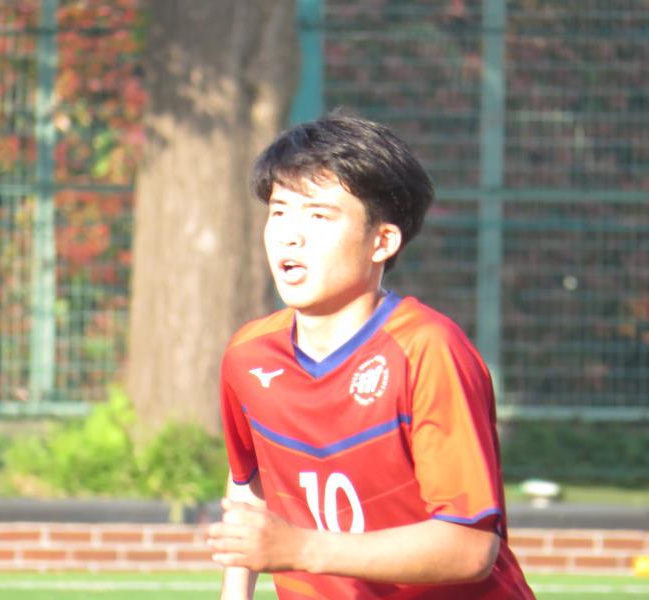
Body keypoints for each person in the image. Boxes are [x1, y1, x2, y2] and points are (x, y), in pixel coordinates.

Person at [207, 113, 535, 599]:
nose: (289, 234)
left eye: (318, 216)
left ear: (382, 242)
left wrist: (303, 548)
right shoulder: (248, 355)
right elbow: (249, 481)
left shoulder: (428, 351)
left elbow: (470, 548)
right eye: (279, 211)